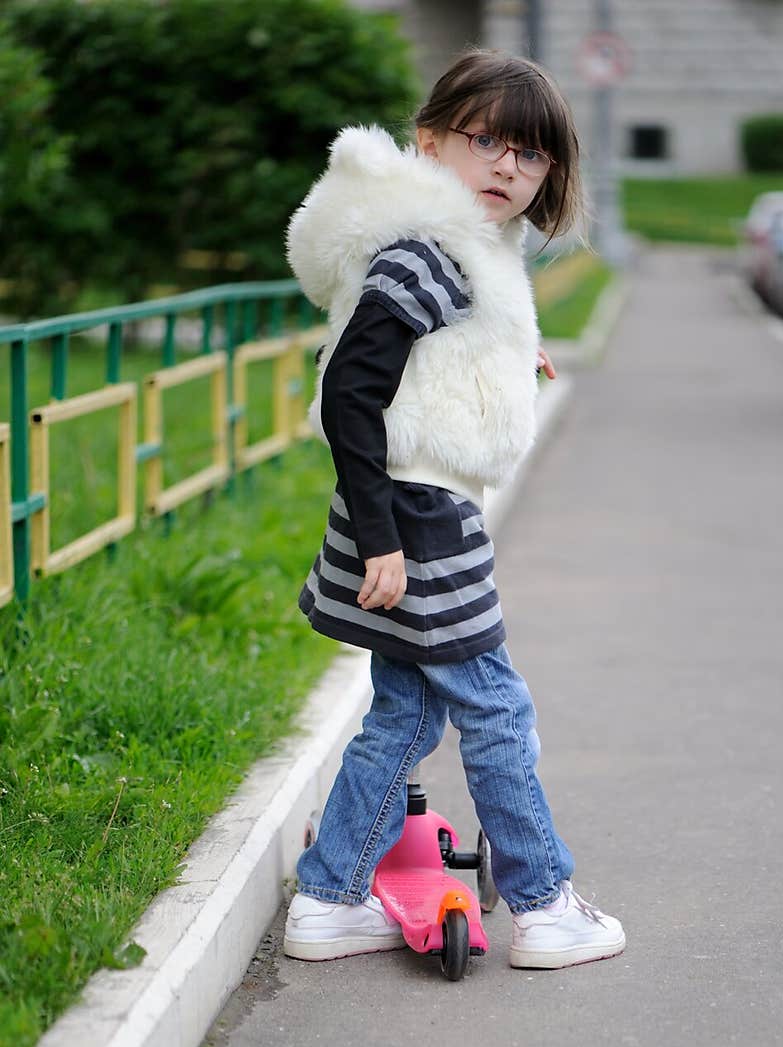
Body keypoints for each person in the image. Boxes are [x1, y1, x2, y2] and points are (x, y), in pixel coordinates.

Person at [283, 47, 625, 971]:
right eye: (486, 142)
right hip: (416, 515)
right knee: (496, 708)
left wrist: (518, 361)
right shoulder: (431, 251)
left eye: (532, 154)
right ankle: (544, 904)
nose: (508, 167)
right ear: (430, 142)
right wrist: (385, 541)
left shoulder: (448, 248)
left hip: (408, 505)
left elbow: (426, 360)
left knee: (403, 714)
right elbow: (353, 390)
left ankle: (326, 899)